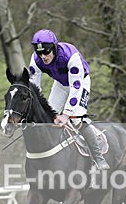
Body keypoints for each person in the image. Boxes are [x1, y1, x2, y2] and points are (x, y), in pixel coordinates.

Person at [27, 29, 109, 170]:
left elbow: (76, 87)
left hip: (80, 83)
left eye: (46, 52)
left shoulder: (71, 56)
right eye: (39, 53)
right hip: (61, 84)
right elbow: (35, 88)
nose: (43, 56)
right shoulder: (36, 60)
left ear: (54, 47)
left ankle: (98, 157)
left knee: (76, 118)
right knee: (48, 119)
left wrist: (66, 114)